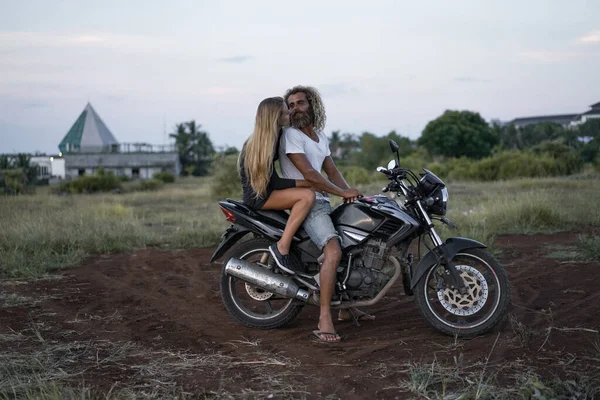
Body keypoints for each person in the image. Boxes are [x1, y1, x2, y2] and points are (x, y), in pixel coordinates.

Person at [278, 86, 375, 343]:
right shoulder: (290, 135)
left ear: (312, 105)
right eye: (291, 105)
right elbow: (310, 174)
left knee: (355, 244)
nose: (295, 108)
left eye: (300, 103)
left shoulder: (320, 136)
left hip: (322, 201)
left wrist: (350, 193)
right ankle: (324, 317)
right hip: (307, 204)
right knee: (333, 251)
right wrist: (340, 193)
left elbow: (331, 171)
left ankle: (345, 307)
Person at [238, 96, 316, 274]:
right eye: (285, 111)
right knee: (307, 196)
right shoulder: (260, 145)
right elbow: (275, 182)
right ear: (274, 117)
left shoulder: (275, 135)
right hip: (260, 196)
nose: (289, 112)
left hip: (266, 191)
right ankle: (282, 247)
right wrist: (308, 183)